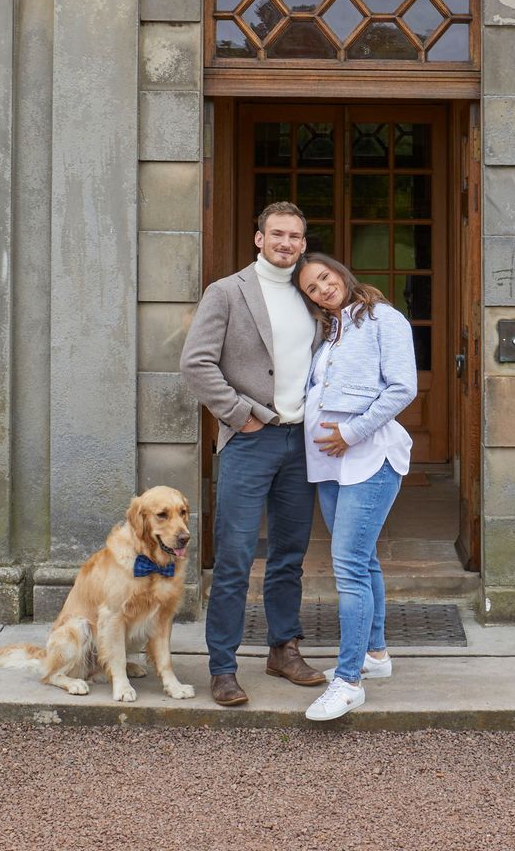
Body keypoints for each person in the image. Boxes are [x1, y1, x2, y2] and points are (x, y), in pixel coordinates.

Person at [180, 202, 325, 706]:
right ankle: (222, 666)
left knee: (289, 555)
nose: (287, 243)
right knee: (236, 558)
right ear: (258, 238)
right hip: (249, 439)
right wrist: (240, 414)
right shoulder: (227, 292)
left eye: (296, 236)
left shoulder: (311, 295)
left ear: (304, 244)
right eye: (277, 234)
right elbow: (195, 364)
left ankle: (283, 649)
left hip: (301, 442)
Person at [293, 252, 417, 721]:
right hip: (328, 465)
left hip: (368, 456)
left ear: (342, 273)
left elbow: (403, 388)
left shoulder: (385, 319)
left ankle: (348, 682)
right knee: (362, 562)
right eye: (311, 288)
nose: (322, 289)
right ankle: (376, 655)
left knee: (346, 567)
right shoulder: (332, 333)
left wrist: (351, 432)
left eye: (325, 278)